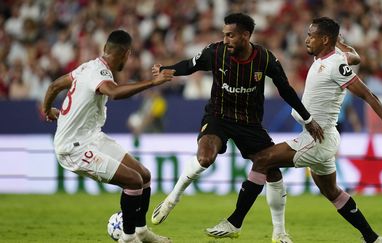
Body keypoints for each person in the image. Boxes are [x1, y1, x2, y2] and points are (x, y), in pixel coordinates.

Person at [150, 13, 324, 243]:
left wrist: (307, 119)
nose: (225, 40)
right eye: (224, 35)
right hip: (218, 116)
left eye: (230, 35)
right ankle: (172, 198)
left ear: (245, 35)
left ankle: (279, 233)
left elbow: (286, 90)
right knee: (204, 158)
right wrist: (167, 68)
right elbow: (190, 66)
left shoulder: (265, 58)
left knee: (272, 170)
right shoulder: (215, 52)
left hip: (249, 122)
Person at [237, 17, 382, 243]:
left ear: (325, 39)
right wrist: (344, 46)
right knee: (332, 192)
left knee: (263, 160)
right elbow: (355, 57)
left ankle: (248, 225)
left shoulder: (335, 65)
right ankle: (373, 238)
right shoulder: (331, 57)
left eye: (311, 35)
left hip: (317, 138)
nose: (306, 39)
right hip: (320, 136)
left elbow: (368, 94)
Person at [42, 30, 175, 243]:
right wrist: (152, 83)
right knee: (133, 181)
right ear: (126, 53)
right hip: (73, 148)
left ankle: (141, 231)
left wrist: (47, 109)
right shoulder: (99, 74)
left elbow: (54, 86)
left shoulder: (87, 67)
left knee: (145, 176)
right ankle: (128, 238)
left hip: (92, 137)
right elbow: (113, 92)